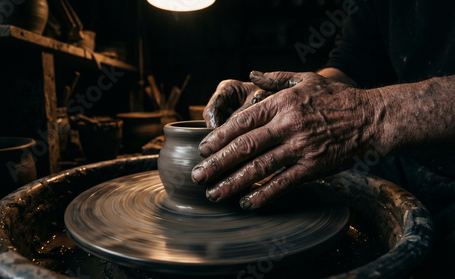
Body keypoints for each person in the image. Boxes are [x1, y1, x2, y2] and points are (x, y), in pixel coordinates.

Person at [191, 0, 455, 215]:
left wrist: (367, 115)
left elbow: (362, 111)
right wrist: (287, 99)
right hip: (406, 157)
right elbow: (354, 62)